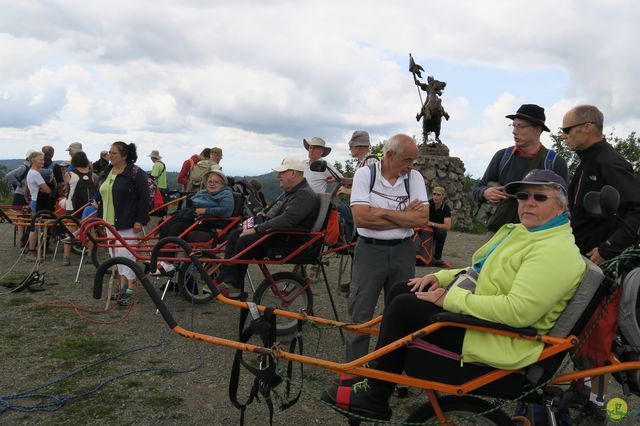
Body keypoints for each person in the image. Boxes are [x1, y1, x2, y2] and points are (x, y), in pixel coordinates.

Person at [322, 169, 586, 421]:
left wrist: (449, 299)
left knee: (405, 307)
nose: (528, 203)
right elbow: (479, 269)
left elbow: (519, 312)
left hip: (504, 338)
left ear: (561, 207)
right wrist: (439, 277)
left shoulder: (554, 251)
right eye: (523, 196)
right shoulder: (527, 232)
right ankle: (380, 373)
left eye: (539, 197)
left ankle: (376, 395)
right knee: (405, 288)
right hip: (489, 321)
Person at [561, 104, 640, 417]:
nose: (563, 135)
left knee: (598, 334)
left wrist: (607, 248)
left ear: (587, 127)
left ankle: (597, 405)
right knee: (577, 330)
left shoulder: (610, 162)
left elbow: (637, 209)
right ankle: (579, 389)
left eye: (567, 130)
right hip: (582, 259)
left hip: (604, 265)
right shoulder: (586, 161)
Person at [346, 134, 429, 361]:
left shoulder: (415, 178)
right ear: (390, 155)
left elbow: (422, 220)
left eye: (413, 161)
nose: (411, 166)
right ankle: (354, 371)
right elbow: (362, 219)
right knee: (360, 312)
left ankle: (389, 371)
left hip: (404, 251)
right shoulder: (365, 175)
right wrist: (405, 216)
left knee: (400, 312)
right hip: (369, 251)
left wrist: (382, 211)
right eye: (407, 160)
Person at [216, 157, 320, 297]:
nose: (278, 176)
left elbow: (287, 220)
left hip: (290, 239)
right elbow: (276, 214)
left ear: (293, 173)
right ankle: (225, 278)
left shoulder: (303, 195)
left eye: (282, 173)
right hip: (282, 234)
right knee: (235, 234)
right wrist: (260, 217)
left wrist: (258, 229)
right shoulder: (293, 192)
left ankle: (233, 283)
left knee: (244, 240)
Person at [473, 104, 569, 233]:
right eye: (513, 125)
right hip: (498, 232)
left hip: (537, 236)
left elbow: (565, 203)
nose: (514, 131)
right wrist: (485, 193)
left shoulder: (554, 162)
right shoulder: (502, 156)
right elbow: (477, 189)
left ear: (537, 130)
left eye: (521, 126)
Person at [93, 142, 150, 306]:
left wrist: (140, 220)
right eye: (109, 152)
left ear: (124, 155)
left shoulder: (135, 172)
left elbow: (144, 198)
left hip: (128, 222)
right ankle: (122, 286)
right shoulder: (109, 170)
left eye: (114, 153)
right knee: (116, 256)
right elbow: (104, 192)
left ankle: (131, 289)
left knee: (128, 256)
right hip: (109, 222)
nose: (110, 155)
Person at [153, 168, 234, 275]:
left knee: (176, 227)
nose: (212, 184)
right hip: (194, 219)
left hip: (209, 223)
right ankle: (159, 259)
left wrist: (205, 210)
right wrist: (188, 205)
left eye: (215, 182)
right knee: (167, 224)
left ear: (222, 183)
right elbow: (185, 205)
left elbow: (226, 211)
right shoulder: (202, 192)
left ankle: (167, 262)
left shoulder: (225, 194)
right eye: (210, 181)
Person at [61, 151, 97, 266]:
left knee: (70, 230)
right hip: (89, 206)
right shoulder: (92, 175)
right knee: (91, 230)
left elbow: (66, 189)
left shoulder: (69, 174)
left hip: (73, 206)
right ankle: (90, 256)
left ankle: (66, 257)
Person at [24, 151, 52, 262]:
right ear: (33, 160)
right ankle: (31, 252)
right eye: (41, 159)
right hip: (37, 202)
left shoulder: (32, 172)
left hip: (35, 201)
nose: (43, 162)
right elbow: (46, 189)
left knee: (35, 227)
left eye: (43, 159)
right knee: (35, 228)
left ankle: (33, 249)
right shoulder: (35, 173)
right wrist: (50, 190)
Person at [427, 186, 452, 266]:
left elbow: (447, 226)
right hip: (426, 228)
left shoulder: (446, 208)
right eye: (434, 194)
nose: (435, 197)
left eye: (438, 195)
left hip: (436, 230)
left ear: (443, 197)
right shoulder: (427, 204)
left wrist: (432, 223)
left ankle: (437, 258)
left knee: (442, 232)